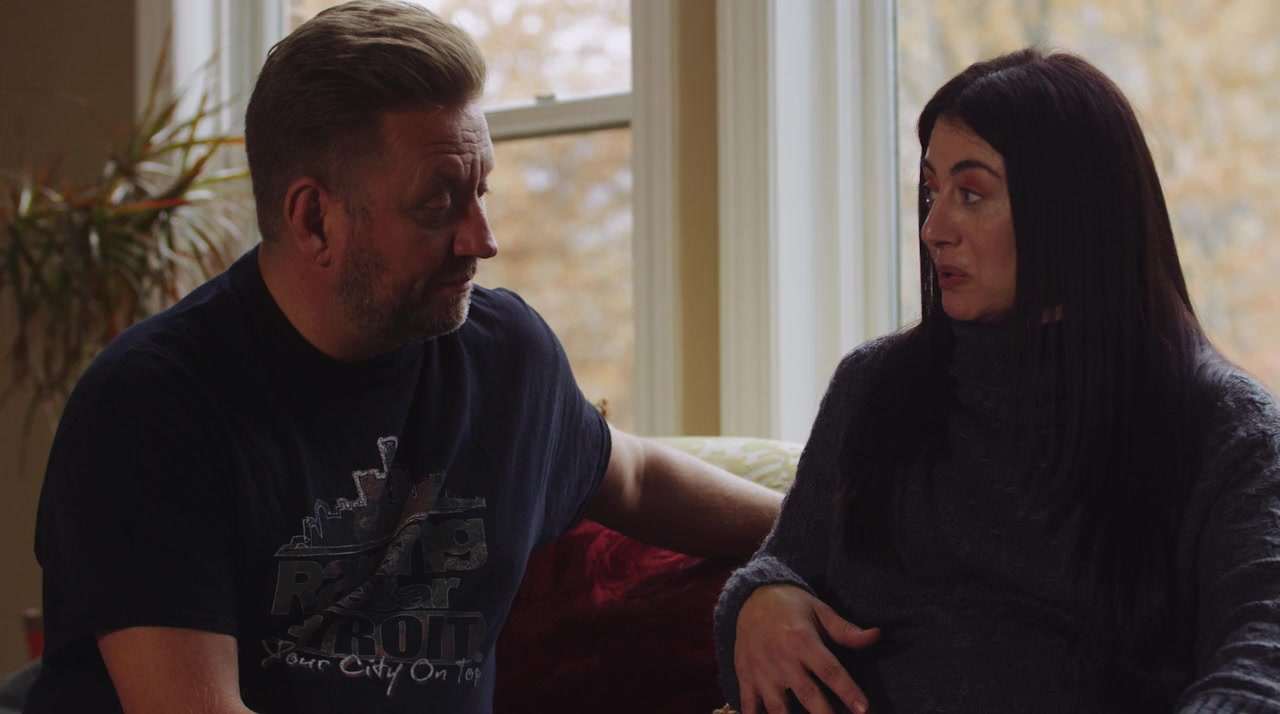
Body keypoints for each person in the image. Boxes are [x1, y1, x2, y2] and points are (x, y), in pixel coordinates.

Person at [24, 2, 783, 712]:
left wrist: (808, 548)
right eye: (438, 204)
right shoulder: (150, 407)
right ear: (314, 219)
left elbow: (635, 478)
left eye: (482, 192)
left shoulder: (505, 358)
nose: (482, 240)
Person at [715, 47, 1280, 714]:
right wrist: (760, 598)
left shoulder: (1225, 431)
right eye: (931, 192)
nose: (932, 229)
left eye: (972, 195)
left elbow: (1260, 668)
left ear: (1071, 213)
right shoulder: (872, 387)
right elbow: (788, 563)